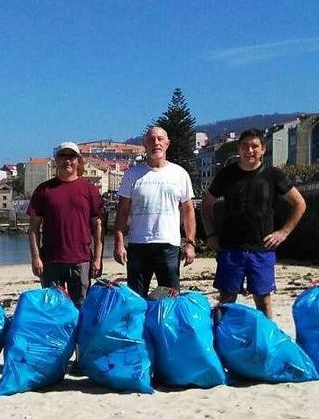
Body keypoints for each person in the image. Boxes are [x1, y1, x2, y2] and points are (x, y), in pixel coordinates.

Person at [200, 128, 306, 319]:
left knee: (263, 301)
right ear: (239, 149)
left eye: (254, 146)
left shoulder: (273, 175)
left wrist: (283, 232)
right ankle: (220, 342)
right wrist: (211, 234)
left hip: (262, 248)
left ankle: (266, 342)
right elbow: (206, 204)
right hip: (231, 248)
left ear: (263, 149)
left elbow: (299, 204)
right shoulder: (227, 174)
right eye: (244, 146)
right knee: (226, 301)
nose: (249, 150)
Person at [114, 126, 196, 297]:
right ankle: (139, 325)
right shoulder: (132, 174)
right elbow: (122, 212)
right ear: (145, 144)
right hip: (138, 245)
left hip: (169, 245)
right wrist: (119, 243)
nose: (156, 143)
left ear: (167, 144)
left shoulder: (180, 174)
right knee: (136, 299)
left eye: (160, 139)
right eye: (151, 139)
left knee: (169, 298)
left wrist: (190, 243)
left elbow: (188, 212)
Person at [27, 141, 104, 306]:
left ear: (78, 161)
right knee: (54, 308)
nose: (67, 161)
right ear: (56, 160)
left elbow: (98, 227)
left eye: (72, 156)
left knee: (81, 306)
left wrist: (97, 258)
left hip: (81, 259)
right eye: (63, 156)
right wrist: (35, 258)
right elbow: (33, 228)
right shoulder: (44, 190)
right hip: (51, 260)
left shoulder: (89, 190)